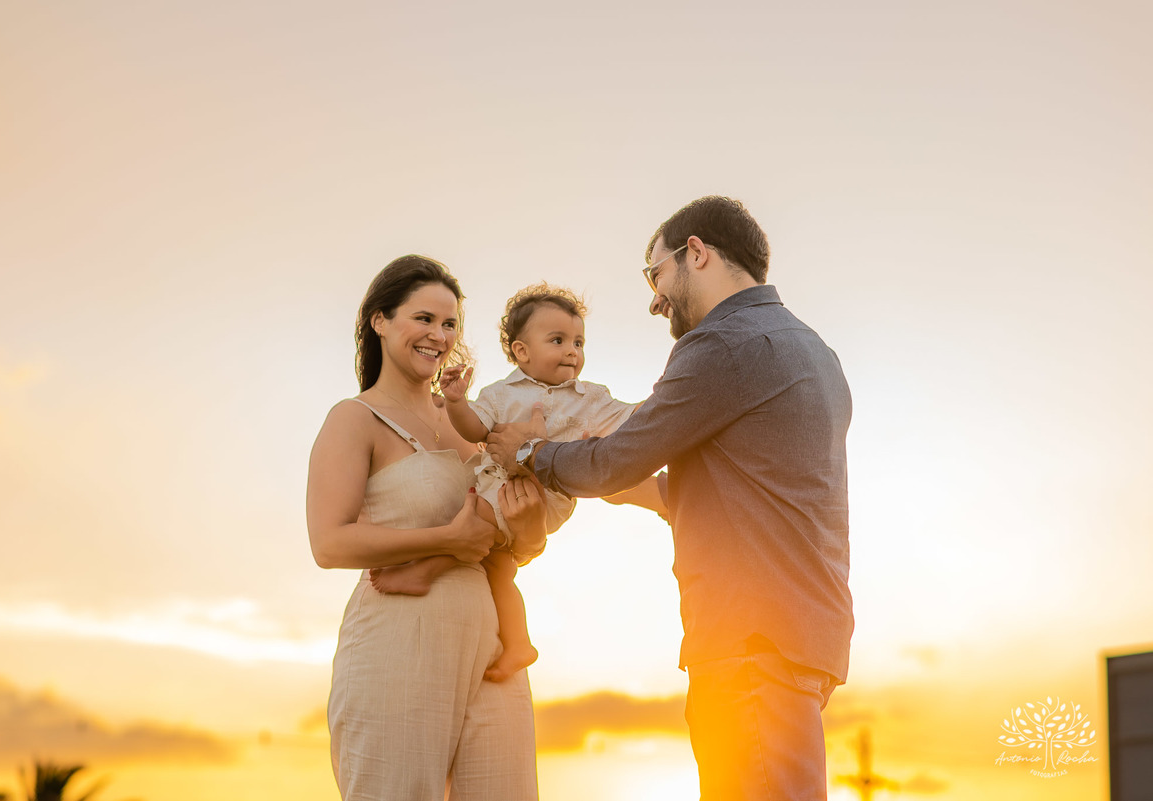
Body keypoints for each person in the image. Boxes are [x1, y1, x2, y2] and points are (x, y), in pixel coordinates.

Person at [486, 196, 854, 800]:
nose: (654, 298)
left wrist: (528, 454)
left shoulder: (722, 345)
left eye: (655, 274)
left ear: (698, 254)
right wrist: (655, 495)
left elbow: (612, 460)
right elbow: (763, 487)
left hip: (747, 641)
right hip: (806, 636)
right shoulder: (816, 352)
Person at [306, 254, 547, 800]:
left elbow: (505, 539)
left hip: (491, 649)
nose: (438, 335)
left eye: (449, 324)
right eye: (423, 319)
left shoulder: (472, 418)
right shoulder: (355, 418)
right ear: (380, 321)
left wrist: (532, 529)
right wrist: (444, 540)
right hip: (396, 644)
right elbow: (329, 542)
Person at [370, 283, 642, 682]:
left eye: (579, 342)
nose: (572, 351)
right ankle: (519, 644)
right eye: (559, 340)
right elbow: (473, 427)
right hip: (501, 486)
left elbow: (633, 420)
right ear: (522, 351)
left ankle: (427, 569)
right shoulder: (501, 394)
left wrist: (665, 393)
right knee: (499, 566)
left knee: (478, 514)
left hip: (548, 494)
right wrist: (459, 403)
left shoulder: (590, 397)